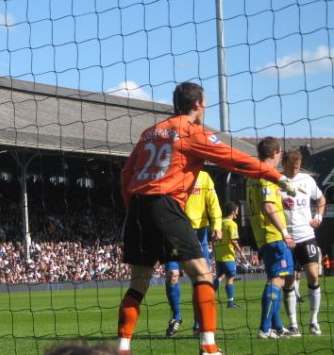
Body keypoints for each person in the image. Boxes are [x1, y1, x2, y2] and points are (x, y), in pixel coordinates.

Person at [118, 82, 302, 355]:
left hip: (136, 210)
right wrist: (277, 177)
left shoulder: (148, 133)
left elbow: (126, 173)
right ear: (198, 104)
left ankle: (122, 347)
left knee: (139, 282)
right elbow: (235, 159)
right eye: (204, 103)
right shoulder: (192, 132)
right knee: (202, 273)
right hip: (166, 204)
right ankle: (209, 346)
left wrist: (131, 205)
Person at [246, 137, 297, 339]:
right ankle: (265, 328)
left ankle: (277, 326)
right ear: (275, 152)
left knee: (279, 279)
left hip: (262, 234)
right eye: (280, 153)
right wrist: (284, 232)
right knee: (276, 279)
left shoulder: (251, 175)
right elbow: (267, 205)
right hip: (273, 234)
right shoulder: (266, 175)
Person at [165, 170, 222, 337]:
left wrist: (217, 224)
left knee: (205, 278)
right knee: (171, 275)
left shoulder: (204, 177)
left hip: (199, 234)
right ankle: (176, 318)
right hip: (176, 232)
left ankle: (199, 321)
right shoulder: (172, 173)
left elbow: (213, 203)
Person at [280, 148, 326, 336]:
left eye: (297, 168)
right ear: (284, 164)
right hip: (286, 238)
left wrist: (318, 217)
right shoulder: (277, 181)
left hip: (306, 235)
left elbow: (321, 199)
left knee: (313, 276)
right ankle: (293, 325)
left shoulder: (307, 180)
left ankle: (313, 321)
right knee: (289, 280)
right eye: (291, 168)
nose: (294, 171)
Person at [213, 201, 245, 309]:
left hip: (219, 255)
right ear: (233, 211)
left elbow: (214, 237)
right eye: (237, 210)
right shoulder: (232, 224)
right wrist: (241, 253)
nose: (238, 212)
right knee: (230, 278)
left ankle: (208, 298)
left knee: (220, 276)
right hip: (227, 255)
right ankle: (230, 303)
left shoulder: (220, 222)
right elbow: (233, 240)